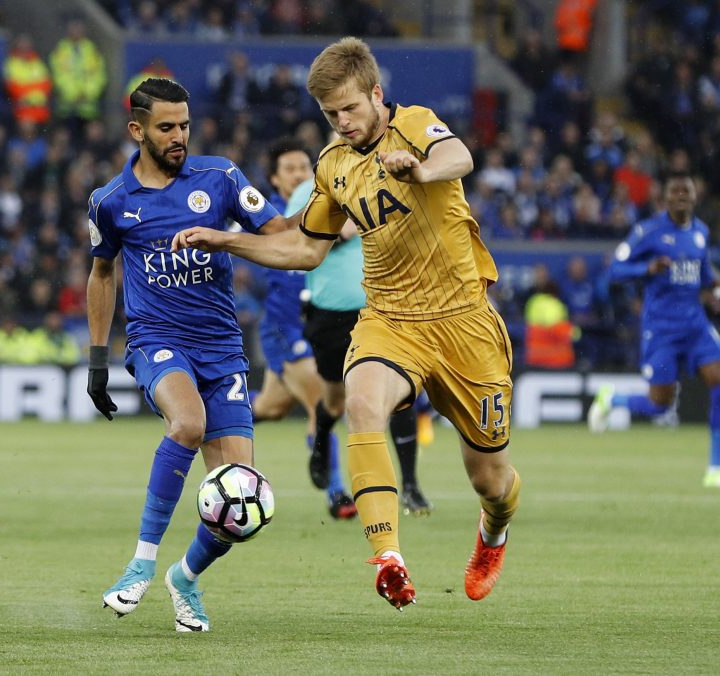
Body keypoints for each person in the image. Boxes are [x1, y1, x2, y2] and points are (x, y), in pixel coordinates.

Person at [173, 37, 521, 610]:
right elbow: (305, 249)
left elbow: (460, 157)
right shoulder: (333, 165)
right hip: (390, 319)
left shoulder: (414, 124)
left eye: (350, 109)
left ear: (376, 94)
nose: (342, 122)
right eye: (330, 114)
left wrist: (420, 170)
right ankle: (388, 557)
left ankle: (494, 530)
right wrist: (225, 241)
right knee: (360, 404)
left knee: (491, 479)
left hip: (464, 322)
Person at [86, 78, 283, 632]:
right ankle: (141, 564)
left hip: (222, 347)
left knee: (239, 503)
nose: (179, 136)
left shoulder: (221, 178)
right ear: (137, 130)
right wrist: (98, 360)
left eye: (185, 126)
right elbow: (102, 274)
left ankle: (185, 579)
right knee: (189, 424)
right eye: (167, 127)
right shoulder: (111, 201)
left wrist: (233, 237)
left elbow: (280, 235)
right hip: (158, 339)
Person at [588, 170, 720, 489]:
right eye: (675, 191)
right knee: (660, 403)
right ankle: (612, 398)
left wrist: (713, 285)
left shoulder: (700, 231)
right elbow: (615, 270)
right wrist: (646, 268)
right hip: (661, 330)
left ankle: (715, 469)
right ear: (665, 198)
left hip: (695, 325)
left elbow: (701, 272)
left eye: (686, 191)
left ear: (695, 196)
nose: (681, 196)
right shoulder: (648, 231)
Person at [293, 174, 433, 516]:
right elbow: (298, 241)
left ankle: (411, 485)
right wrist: (346, 226)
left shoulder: (388, 183)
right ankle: (322, 440)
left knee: (400, 393)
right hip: (331, 313)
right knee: (335, 401)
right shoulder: (309, 191)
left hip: (384, 309)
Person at [248, 138, 357, 519]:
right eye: (289, 169)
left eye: (303, 168)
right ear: (274, 180)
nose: (298, 174)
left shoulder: (327, 206)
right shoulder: (265, 216)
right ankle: (337, 493)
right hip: (286, 328)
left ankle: (214, 415)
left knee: (270, 407)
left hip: (319, 322)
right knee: (321, 401)